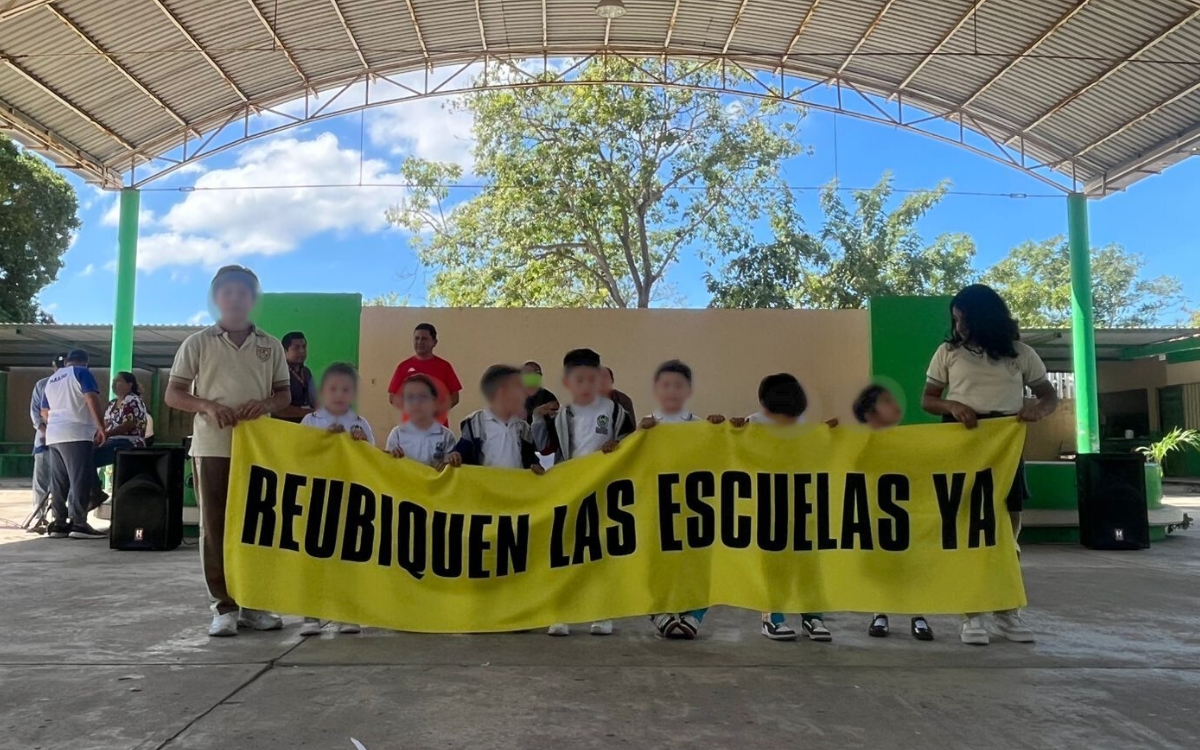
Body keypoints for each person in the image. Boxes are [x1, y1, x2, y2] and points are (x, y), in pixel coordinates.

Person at [922, 283, 1057, 646]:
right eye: (955, 320)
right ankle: (971, 615)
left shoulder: (1021, 354)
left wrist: (1037, 410)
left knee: (1007, 536)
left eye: (964, 319)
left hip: (1005, 449)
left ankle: (1007, 612)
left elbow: (1048, 395)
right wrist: (952, 406)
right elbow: (928, 400)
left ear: (985, 318)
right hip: (960, 447)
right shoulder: (948, 352)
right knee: (965, 531)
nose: (959, 327)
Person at [165, 265, 291, 638]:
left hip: (258, 449)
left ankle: (254, 604)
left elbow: (284, 395)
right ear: (216, 298)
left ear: (253, 299)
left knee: (256, 526)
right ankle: (223, 606)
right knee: (215, 527)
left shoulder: (270, 345)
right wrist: (207, 406)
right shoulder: (197, 343)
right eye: (228, 292)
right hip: (212, 447)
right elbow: (174, 393)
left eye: (243, 292)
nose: (235, 298)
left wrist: (265, 404)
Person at [532, 348, 634, 637]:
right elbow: (545, 447)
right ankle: (560, 613)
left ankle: (602, 613)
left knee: (600, 551)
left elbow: (632, 443)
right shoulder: (562, 414)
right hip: (570, 489)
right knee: (565, 551)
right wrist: (538, 418)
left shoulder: (616, 412)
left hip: (603, 489)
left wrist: (619, 446)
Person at [732, 373, 831, 643]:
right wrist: (732, 431)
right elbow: (738, 454)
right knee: (774, 565)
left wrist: (829, 434)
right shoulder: (754, 424)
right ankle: (773, 617)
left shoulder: (806, 427)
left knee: (809, 565)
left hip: (803, 505)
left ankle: (813, 617)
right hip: (768, 505)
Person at [638, 360, 725, 639]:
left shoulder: (701, 426)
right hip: (658, 504)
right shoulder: (646, 427)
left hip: (694, 505)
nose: (672, 391)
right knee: (656, 561)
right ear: (657, 389)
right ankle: (658, 611)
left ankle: (694, 614)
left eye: (678, 385)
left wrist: (722, 430)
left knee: (696, 562)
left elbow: (721, 457)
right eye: (666, 385)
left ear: (688, 390)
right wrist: (638, 435)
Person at [852, 385, 933, 641]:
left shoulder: (908, 440)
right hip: (875, 514)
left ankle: (918, 615)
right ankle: (880, 613)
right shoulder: (859, 441)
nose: (895, 405)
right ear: (870, 411)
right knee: (881, 566)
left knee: (911, 565)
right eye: (887, 401)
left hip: (908, 512)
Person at [299, 362, 374, 636]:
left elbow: (374, 464)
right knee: (314, 558)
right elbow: (298, 456)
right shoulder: (310, 422)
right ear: (323, 392)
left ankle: (347, 613)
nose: (339, 394)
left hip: (350, 499)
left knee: (348, 558)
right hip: (317, 498)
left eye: (346, 389)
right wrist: (322, 441)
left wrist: (362, 444)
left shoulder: (361, 424)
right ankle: (311, 615)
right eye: (333, 389)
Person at [41, 349, 107, 540]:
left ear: (67, 361)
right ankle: (79, 523)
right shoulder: (81, 372)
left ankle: (59, 524)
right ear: (85, 362)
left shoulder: (52, 380)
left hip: (54, 435)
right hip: (76, 433)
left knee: (59, 481)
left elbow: (44, 411)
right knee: (80, 479)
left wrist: (58, 423)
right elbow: (91, 398)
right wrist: (100, 427)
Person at [448, 365, 543, 472]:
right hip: (486, 482)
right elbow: (463, 454)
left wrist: (535, 467)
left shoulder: (523, 428)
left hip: (516, 482)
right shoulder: (476, 423)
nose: (525, 396)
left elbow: (530, 459)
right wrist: (455, 456)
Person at [387, 323, 462, 427]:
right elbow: (393, 397)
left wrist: (437, 411)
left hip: (438, 427)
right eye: (416, 338)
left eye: (424, 339)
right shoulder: (403, 367)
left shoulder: (444, 366)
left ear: (434, 342)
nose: (419, 342)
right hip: (411, 427)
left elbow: (455, 397)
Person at [23, 353, 64, 534]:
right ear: (53, 366)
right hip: (44, 440)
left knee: (61, 482)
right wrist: (46, 431)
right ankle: (39, 517)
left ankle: (59, 518)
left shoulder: (74, 384)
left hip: (65, 440)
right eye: (58, 366)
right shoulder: (42, 384)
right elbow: (36, 413)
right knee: (41, 481)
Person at [386, 374, 457, 468]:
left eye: (423, 397)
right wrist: (392, 456)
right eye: (410, 397)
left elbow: (451, 469)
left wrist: (451, 461)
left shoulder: (446, 436)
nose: (416, 403)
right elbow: (388, 465)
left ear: (435, 402)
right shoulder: (397, 434)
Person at [94, 372, 150, 469]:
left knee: (92, 456)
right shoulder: (112, 403)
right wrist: (98, 437)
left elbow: (128, 425)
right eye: (113, 381)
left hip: (129, 441)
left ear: (129, 384)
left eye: (118, 381)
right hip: (112, 440)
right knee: (84, 453)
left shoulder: (133, 400)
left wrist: (107, 434)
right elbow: (105, 423)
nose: (114, 383)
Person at [276, 331, 317, 423]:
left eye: (304, 347)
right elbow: (278, 409)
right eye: (296, 348)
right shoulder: (278, 373)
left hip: (306, 424)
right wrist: (310, 413)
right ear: (284, 351)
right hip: (284, 425)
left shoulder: (306, 372)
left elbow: (313, 399)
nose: (302, 351)